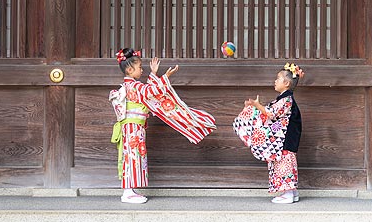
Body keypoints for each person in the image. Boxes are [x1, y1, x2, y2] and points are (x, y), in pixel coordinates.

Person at [109, 48, 216, 204]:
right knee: (133, 157)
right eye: (139, 67)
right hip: (133, 128)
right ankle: (128, 192)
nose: (141, 70)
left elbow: (148, 91)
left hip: (133, 128)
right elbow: (152, 91)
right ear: (129, 69)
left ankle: (130, 190)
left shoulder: (131, 86)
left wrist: (153, 74)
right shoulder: (133, 87)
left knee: (133, 157)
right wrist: (166, 76)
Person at [233, 63, 303, 204]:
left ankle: (288, 194)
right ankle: (292, 192)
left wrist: (257, 106)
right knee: (285, 162)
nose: (275, 81)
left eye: (278, 78)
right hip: (284, 137)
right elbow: (269, 112)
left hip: (284, 138)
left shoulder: (286, 100)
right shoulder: (284, 99)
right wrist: (256, 108)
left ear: (287, 83)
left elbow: (271, 113)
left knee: (284, 163)